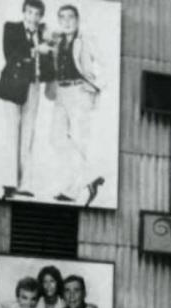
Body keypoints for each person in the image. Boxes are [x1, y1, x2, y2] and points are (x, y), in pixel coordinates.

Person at [0, 0, 54, 197]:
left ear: (41, 16)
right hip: (13, 84)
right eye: (29, 12)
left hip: (33, 85)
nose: (33, 18)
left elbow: (48, 65)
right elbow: (10, 55)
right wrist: (36, 49)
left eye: (37, 14)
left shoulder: (43, 35)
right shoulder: (11, 28)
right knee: (12, 132)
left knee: (28, 134)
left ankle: (25, 184)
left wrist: (50, 44)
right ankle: (9, 182)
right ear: (23, 12)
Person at [49, 4, 105, 206]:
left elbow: (105, 64)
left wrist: (94, 86)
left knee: (80, 141)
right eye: (62, 18)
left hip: (79, 91)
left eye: (70, 17)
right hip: (61, 92)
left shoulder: (86, 39)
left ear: (78, 19)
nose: (66, 21)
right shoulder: (57, 41)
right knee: (56, 138)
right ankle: (91, 176)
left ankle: (72, 190)